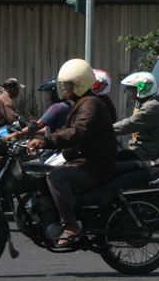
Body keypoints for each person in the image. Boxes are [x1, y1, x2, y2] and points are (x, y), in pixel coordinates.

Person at [27, 59, 116, 247]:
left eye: (67, 84)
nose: (64, 88)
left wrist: (46, 140)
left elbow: (79, 131)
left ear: (80, 83)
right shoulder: (82, 102)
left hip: (95, 164)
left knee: (57, 177)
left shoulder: (91, 104)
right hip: (84, 160)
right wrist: (46, 139)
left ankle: (71, 225)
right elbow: (68, 130)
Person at [114, 72, 159, 162]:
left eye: (133, 89)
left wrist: (105, 130)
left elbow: (128, 124)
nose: (131, 91)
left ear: (142, 89)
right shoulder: (149, 104)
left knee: (111, 161)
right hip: (143, 150)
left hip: (146, 152)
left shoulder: (152, 107)